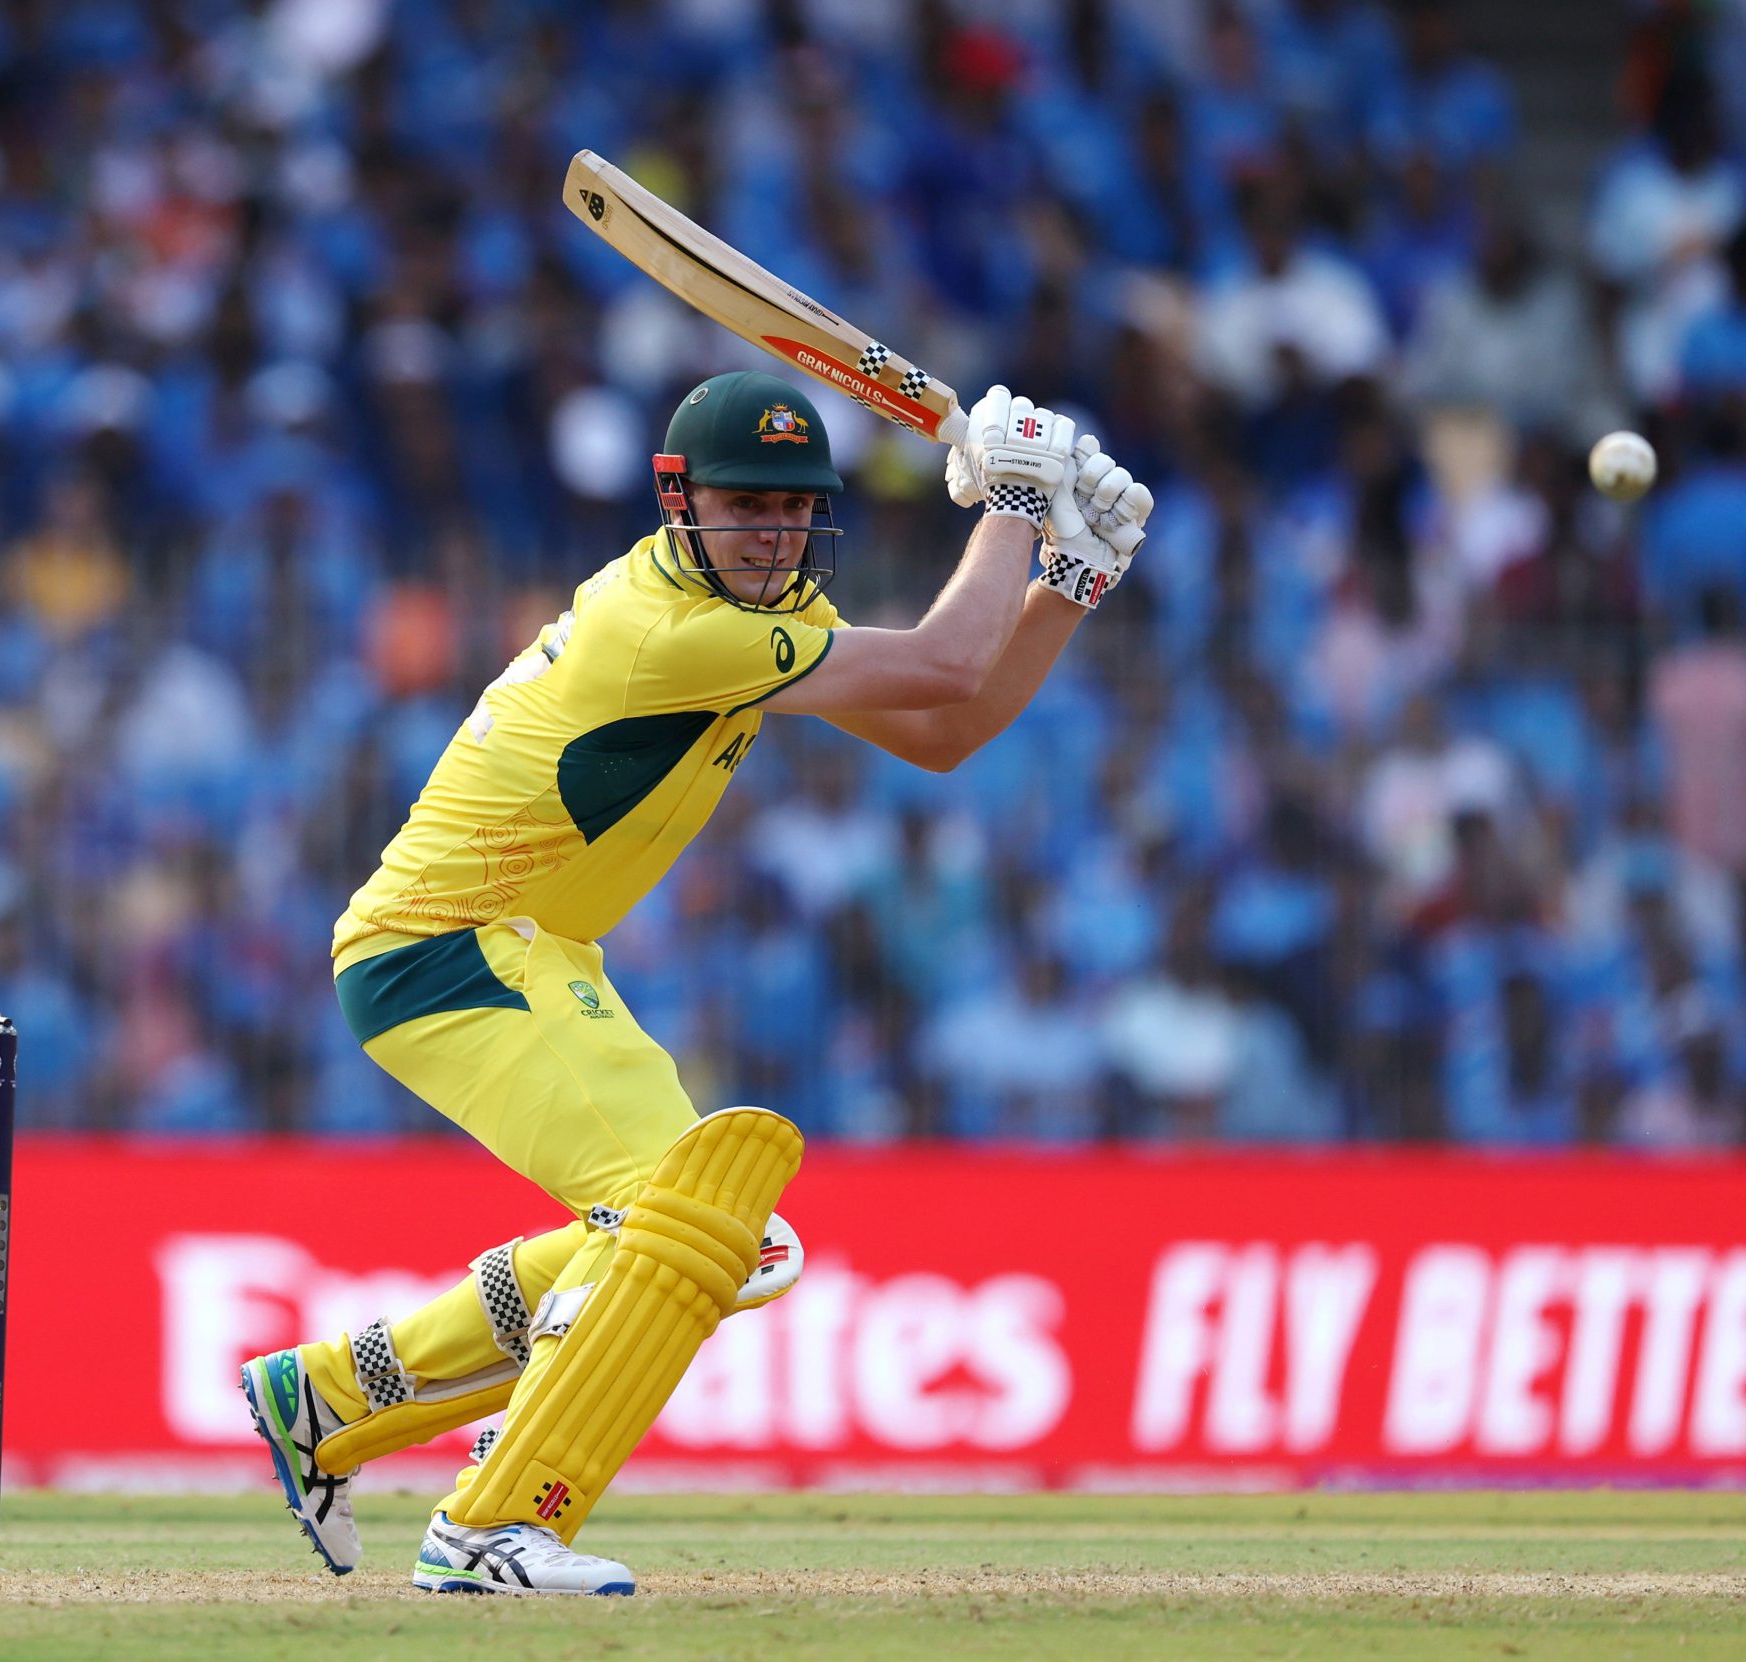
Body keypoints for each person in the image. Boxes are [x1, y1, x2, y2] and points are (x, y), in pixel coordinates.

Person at [242, 370, 1153, 1593]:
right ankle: (489, 1530)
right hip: (452, 949)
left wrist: (1067, 579)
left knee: (698, 1238)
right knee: (704, 1228)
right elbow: (942, 662)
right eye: (745, 507)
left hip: (525, 951)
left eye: (794, 510)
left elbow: (945, 730)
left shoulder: (738, 613)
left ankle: (333, 1395)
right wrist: (1014, 499)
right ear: (678, 503)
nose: (774, 536)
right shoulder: (665, 631)